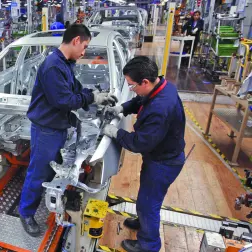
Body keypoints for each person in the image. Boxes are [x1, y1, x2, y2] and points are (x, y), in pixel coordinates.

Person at [18, 24, 118, 237]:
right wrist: (91, 99)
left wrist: (94, 94)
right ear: (75, 41)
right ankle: (26, 213)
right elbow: (64, 100)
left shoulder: (65, 63)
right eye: (84, 46)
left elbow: (74, 88)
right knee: (38, 172)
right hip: (47, 130)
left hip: (59, 126)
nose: (84, 52)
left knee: (52, 168)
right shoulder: (53, 66)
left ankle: (48, 196)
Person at [102, 56, 186, 252]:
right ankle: (143, 222)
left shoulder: (160, 108)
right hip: (163, 156)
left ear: (145, 81)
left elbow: (140, 143)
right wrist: (121, 108)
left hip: (164, 163)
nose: (131, 89)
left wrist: (116, 133)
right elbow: (141, 99)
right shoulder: (162, 87)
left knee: (148, 204)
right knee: (147, 198)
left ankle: (148, 244)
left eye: (132, 85)